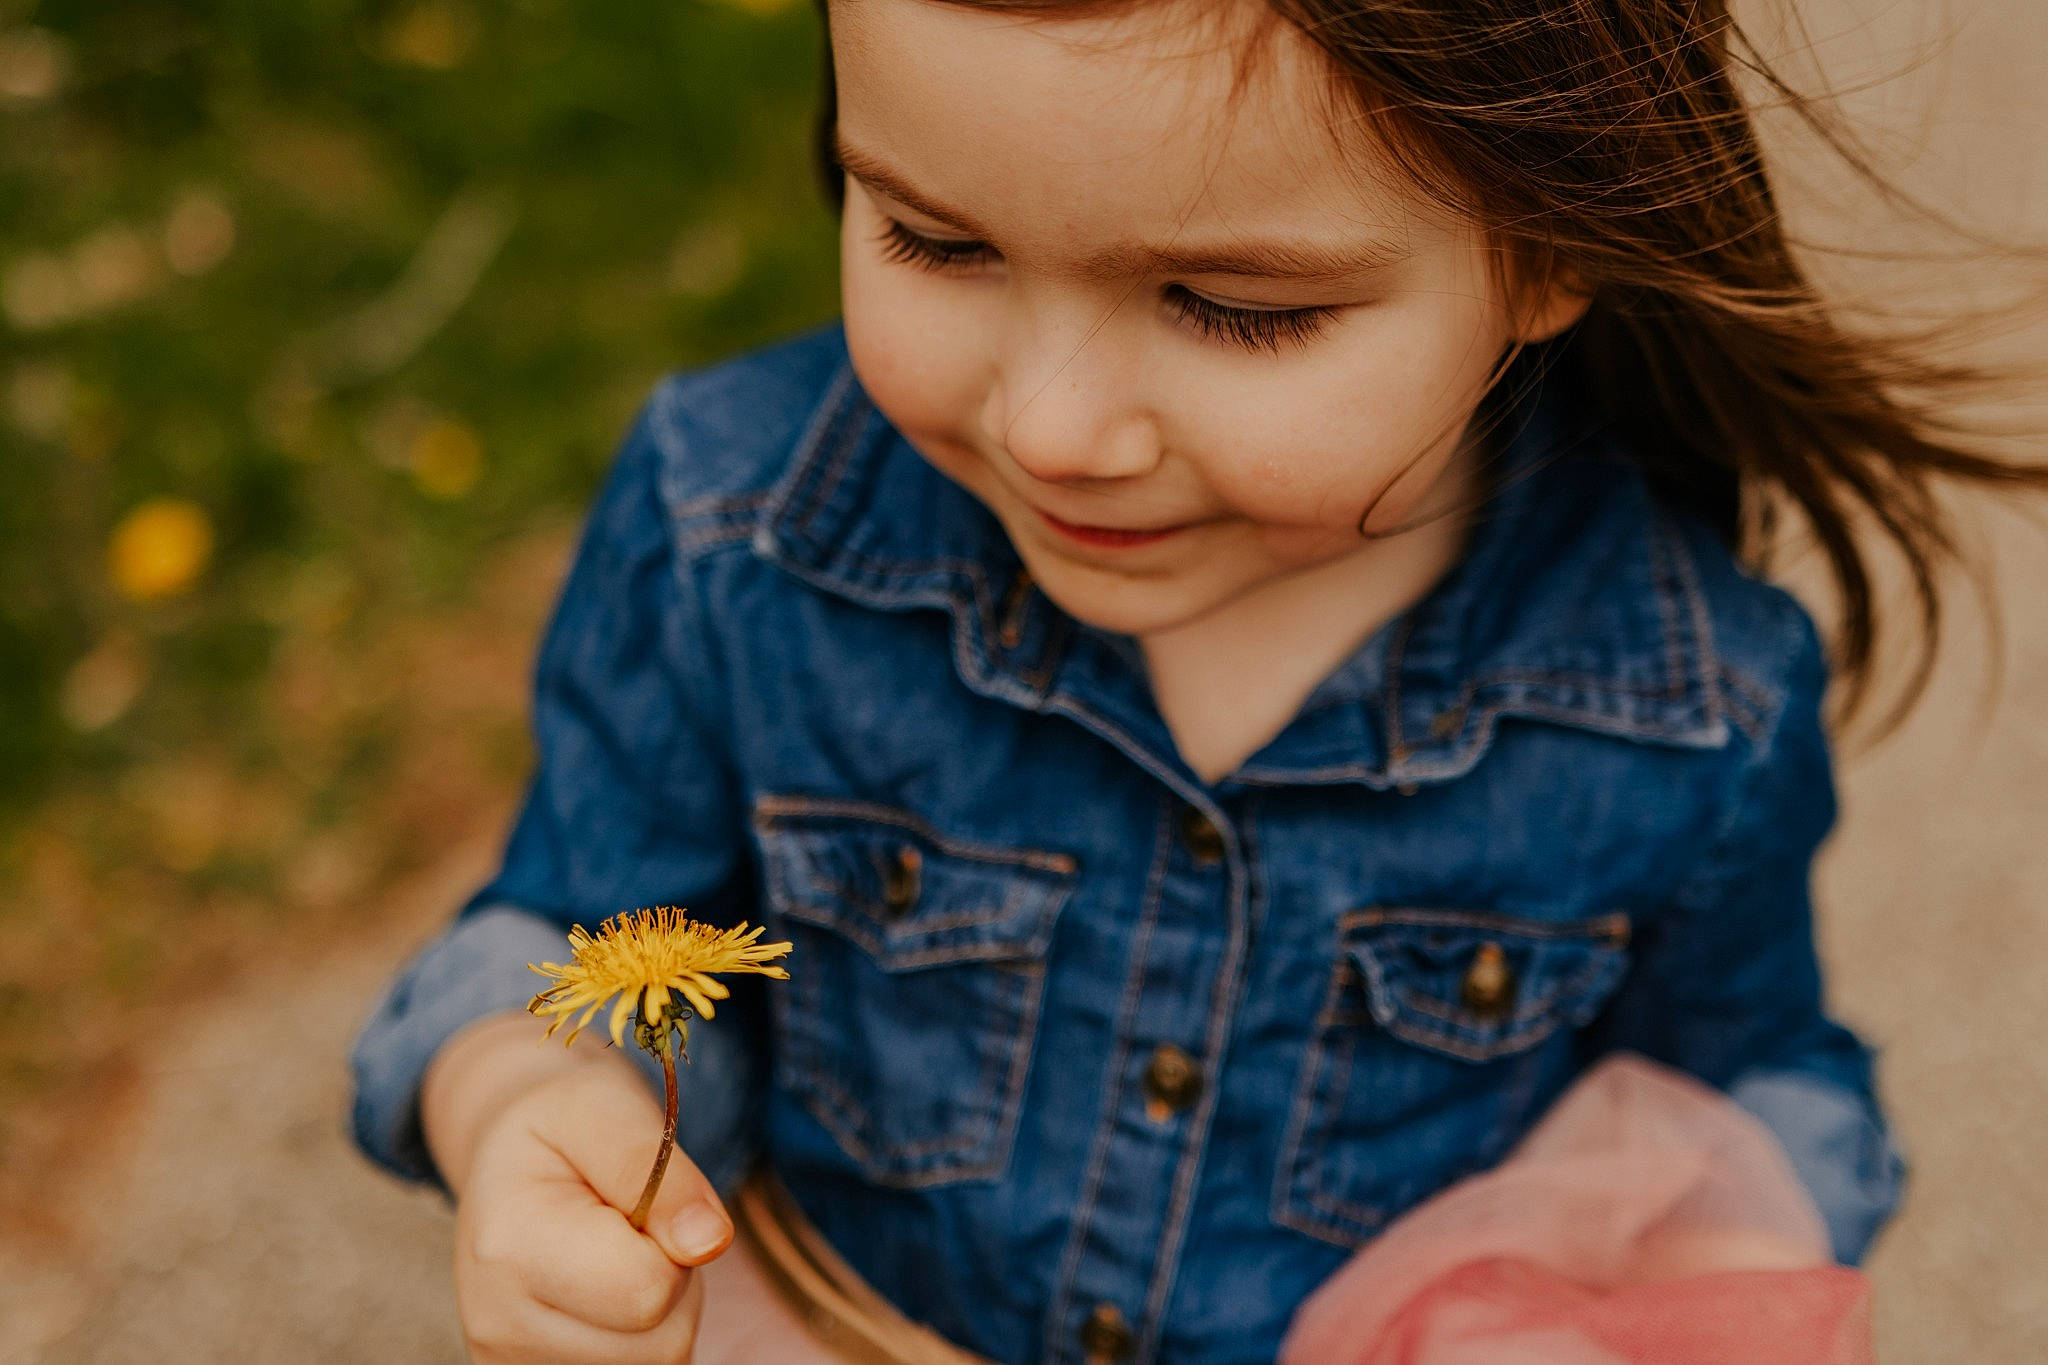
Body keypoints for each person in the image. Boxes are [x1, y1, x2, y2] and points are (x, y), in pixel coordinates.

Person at [346, 0, 2043, 1361]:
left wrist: (1666, 1279)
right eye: (937, 241)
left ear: (1548, 242)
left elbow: (1759, 1091)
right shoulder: (737, 534)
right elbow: (573, 934)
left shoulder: (1687, 702)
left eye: (1231, 307)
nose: (1054, 427)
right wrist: (520, 1095)